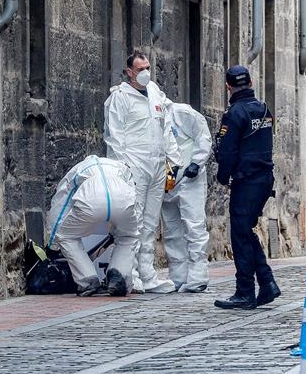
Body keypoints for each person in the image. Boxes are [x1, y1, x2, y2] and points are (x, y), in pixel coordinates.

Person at [104, 50, 182, 293]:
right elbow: (114, 136)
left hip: (157, 164)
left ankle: (148, 274)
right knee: (133, 221)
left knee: (150, 222)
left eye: (148, 68)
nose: (146, 73)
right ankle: (131, 274)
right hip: (134, 164)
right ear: (129, 72)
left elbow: (166, 128)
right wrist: (121, 169)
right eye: (140, 69)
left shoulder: (155, 93)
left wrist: (174, 160)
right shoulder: (120, 98)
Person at [213, 65, 280, 310]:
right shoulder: (263, 109)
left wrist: (223, 177)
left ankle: (245, 292)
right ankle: (267, 282)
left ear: (228, 87)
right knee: (246, 231)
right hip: (264, 179)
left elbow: (227, 152)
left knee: (240, 235)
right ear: (250, 83)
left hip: (247, 181)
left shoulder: (234, 114)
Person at [45, 155, 138, 297]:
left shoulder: (77, 170)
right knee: (128, 237)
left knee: (65, 236)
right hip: (123, 199)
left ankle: (87, 280)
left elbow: (61, 205)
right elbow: (134, 198)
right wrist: (127, 228)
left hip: (91, 200)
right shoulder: (122, 168)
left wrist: (52, 244)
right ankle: (119, 276)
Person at [161, 102, 212, 293]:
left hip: (190, 178)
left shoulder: (181, 113)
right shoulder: (148, 119)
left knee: (194, 225)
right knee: (172, 229)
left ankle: (198, 276)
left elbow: (203, 135)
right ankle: (178, 276)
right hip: (167, 181)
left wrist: (197, 162)